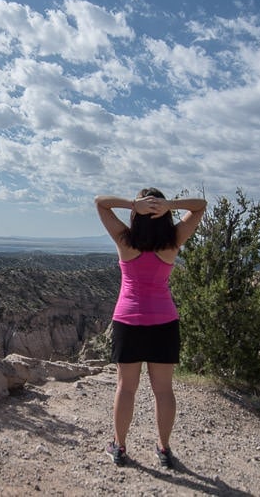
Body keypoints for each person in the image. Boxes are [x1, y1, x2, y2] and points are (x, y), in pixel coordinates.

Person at [94, 188, 207, 468]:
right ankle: (164, 449)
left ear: (137, 214)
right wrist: (170, 204)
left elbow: (101, 203)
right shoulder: (173, 241)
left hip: (128, 321)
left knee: (126, 388)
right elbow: (201, 205)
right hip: (163, 323)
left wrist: (133, 204)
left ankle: (119, 447)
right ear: (165, 216)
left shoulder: (125, 240)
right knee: (164, 390)